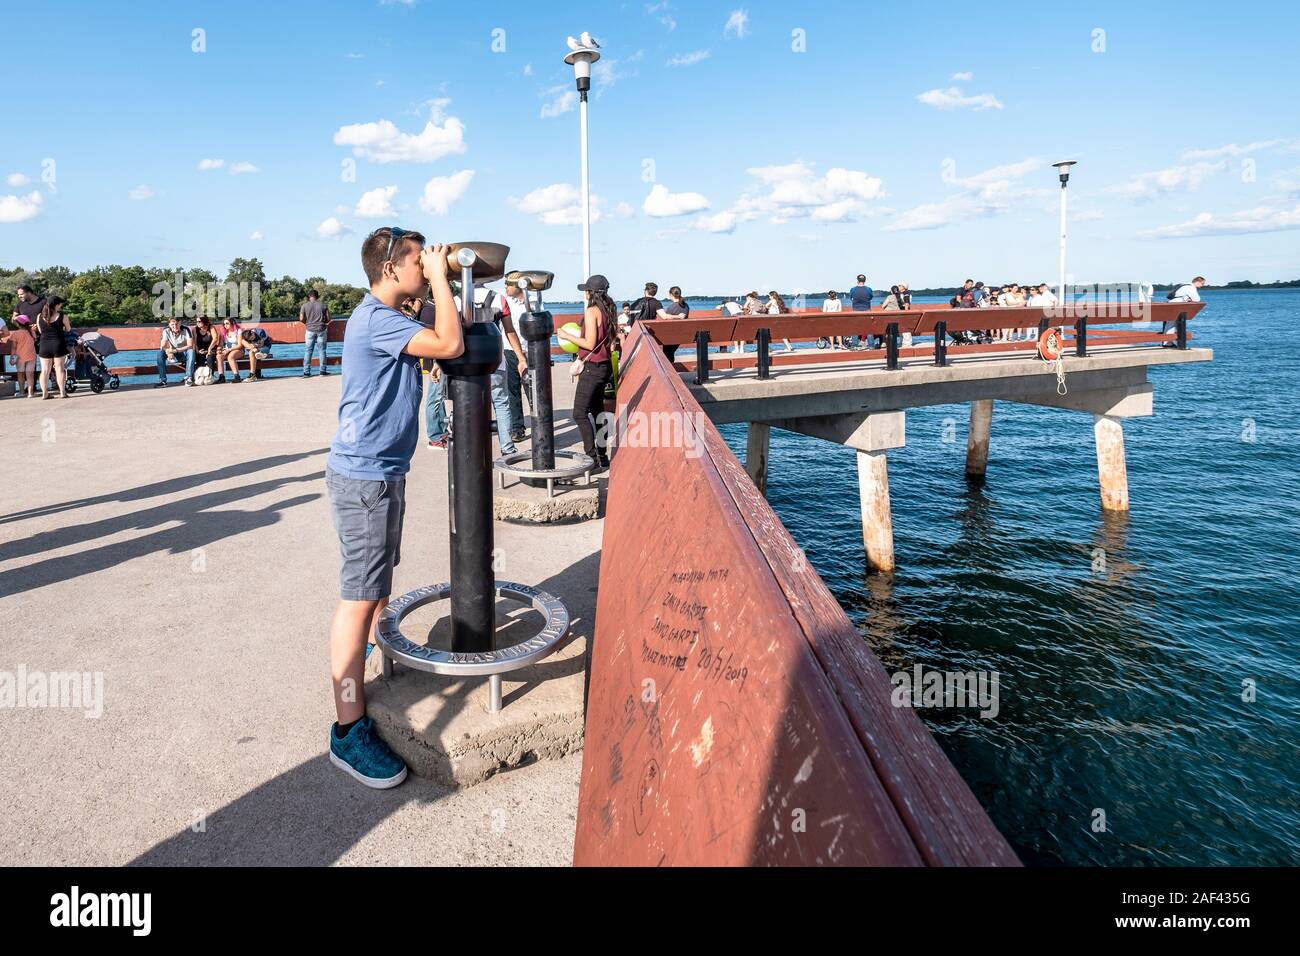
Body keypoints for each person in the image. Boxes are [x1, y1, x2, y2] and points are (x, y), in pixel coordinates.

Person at [326, 226, 464, 789]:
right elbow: (451, 344)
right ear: (389, 269)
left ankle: (366, 686)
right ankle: (347, 730)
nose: (424, 269)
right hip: (365, 478)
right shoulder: (377, 320)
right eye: (415, 262)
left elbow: (434, 332)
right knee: (358, 601)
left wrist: (434, 281)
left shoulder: (388, 318)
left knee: (376, 589)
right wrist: (440, 279)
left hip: (379, 473)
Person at [453, 282, 522, 455]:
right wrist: (521, 357)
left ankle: (473, 451)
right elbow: (510, 331)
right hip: (495, 360)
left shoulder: (455, 300)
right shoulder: (499, 298)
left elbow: (450, 334)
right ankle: (507, 448)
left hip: (466, 363)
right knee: (501, 403)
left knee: (468, 406)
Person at [556, 274, 615, 471]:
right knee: (598, 411)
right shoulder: (610, 309)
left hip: (592, 368)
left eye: (586, 290)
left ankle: (591, 458)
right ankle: (602, 455)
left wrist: (566, 336)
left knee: (579, 413)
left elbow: (589, 344)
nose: (585, 294)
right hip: (604, 366)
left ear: (591, 293)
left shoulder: (592, 311)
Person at [501, 279, 533, 444]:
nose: (505, 286)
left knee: (533, 390)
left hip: (530, 351)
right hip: (510, 351)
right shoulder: (505, 303)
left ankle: (539, 424)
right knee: (512, 392)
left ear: (519, 285)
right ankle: (517, 428)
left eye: (508, 283)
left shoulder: (533, 302)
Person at [35, 296, 70, 399]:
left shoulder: (39, 316)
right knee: (60, 369)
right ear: (56, 305)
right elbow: (68, 329)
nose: (61, 306)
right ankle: (63, 393)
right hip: (58, 344)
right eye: (60, 304)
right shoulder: (63, 316)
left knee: (45, 370)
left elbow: (41, 331)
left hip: (44, 345)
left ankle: (44, 393)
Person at [1, 316, 37, 397]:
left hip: (20, 357)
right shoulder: (31, 332)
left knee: (20, 374)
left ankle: (21, 392)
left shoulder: (16, 334)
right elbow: (34, 341)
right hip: (31, 356)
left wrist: (12, 358)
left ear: (18, 323)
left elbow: (13, 347)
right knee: (30, 375)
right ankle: (30, 393)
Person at [156, 316, 196, 387]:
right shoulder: (166, 330)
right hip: (173, 353)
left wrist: (176, 350)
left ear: (180, 323)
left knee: (191, 351)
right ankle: (163, 381)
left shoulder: (186, 329)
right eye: (172, 324)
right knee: (160, 353)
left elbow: (190, 345)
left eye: (177, 324)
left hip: (184, 353)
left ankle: (188, 378)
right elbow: (162, 346)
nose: (175, 326)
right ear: (169, 324)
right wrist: (169, 352)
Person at [299, 290, 331, 377]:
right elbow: (328, 318)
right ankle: (322, 371)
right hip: (321, 329)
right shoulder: (323, 305)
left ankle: (306, 372)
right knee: (322, 350)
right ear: (317, 296)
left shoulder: (304, 305)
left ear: (309, 297)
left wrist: (307, 323)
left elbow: (301, 318)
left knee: (308, 351)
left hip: (309, 330)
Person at [1162, 276, 1205, 341]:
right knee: (1175, 324)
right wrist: (1190, 300)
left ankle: (1167, 342)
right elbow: (1197, 299)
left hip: (1171, 304)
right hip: (1177, 306)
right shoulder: (1190, 287)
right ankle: (1170, 342)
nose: (1202, 285)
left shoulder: (1184, 285)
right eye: (1202, 283)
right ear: (1197, 282)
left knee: (1170, 323)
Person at [658, 285, 690, 361]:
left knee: (667, 355)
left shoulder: (671, 307)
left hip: (670, 335)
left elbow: (666, 320)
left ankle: (669, 371)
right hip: (681, 334)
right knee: (670, 353)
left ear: (671, 295)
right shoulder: (686, 306)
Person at [216, 317, 244, 383]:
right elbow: (220, 344)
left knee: (230, 357)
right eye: (224, 324)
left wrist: (229, 350)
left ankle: (237, 377)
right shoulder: (223, 332)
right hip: (227, 350)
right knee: (219, 356)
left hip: (238, 350)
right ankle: (221, 377)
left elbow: (240, 345)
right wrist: (219, 349)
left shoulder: (238, 331)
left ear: (232, 323)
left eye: (227, 323)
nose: (225, 325)